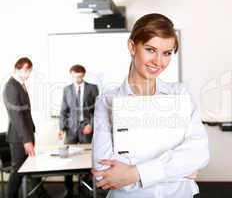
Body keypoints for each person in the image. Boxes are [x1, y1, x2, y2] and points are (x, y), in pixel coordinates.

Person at [92, 13, 209, 198]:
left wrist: (133, 173)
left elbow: (199, 154)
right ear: (132, 46)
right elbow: (104, 173)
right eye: (150, 49)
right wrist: (178, 171)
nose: (159, 62)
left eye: (167, 53)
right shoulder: (107, 102)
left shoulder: (180, 94)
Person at [3, 57, 50, 198]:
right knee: (17, 170)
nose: (28, 73)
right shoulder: (11, 86)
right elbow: (17, 116)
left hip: (26, 134)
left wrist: (30, 134)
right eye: (26, 69)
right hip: (19, 137)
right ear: (16, 69)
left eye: (30, 70)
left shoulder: (20, 84)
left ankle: (39, 193)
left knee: (31, 166)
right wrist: (26, 140)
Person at [58, 64, 99, 198]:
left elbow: (97, 110)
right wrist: (61, 128)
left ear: (83, 75)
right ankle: (68, 189)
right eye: (75, 76)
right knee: (67, 159)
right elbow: (64, 110)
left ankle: (85, 187)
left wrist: (91, 125)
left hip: (86, 127)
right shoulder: (67, 89)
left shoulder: (92, 88)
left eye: (80, 76)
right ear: (71, 75)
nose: (78, 79)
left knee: (87, 158)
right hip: (71, 130)